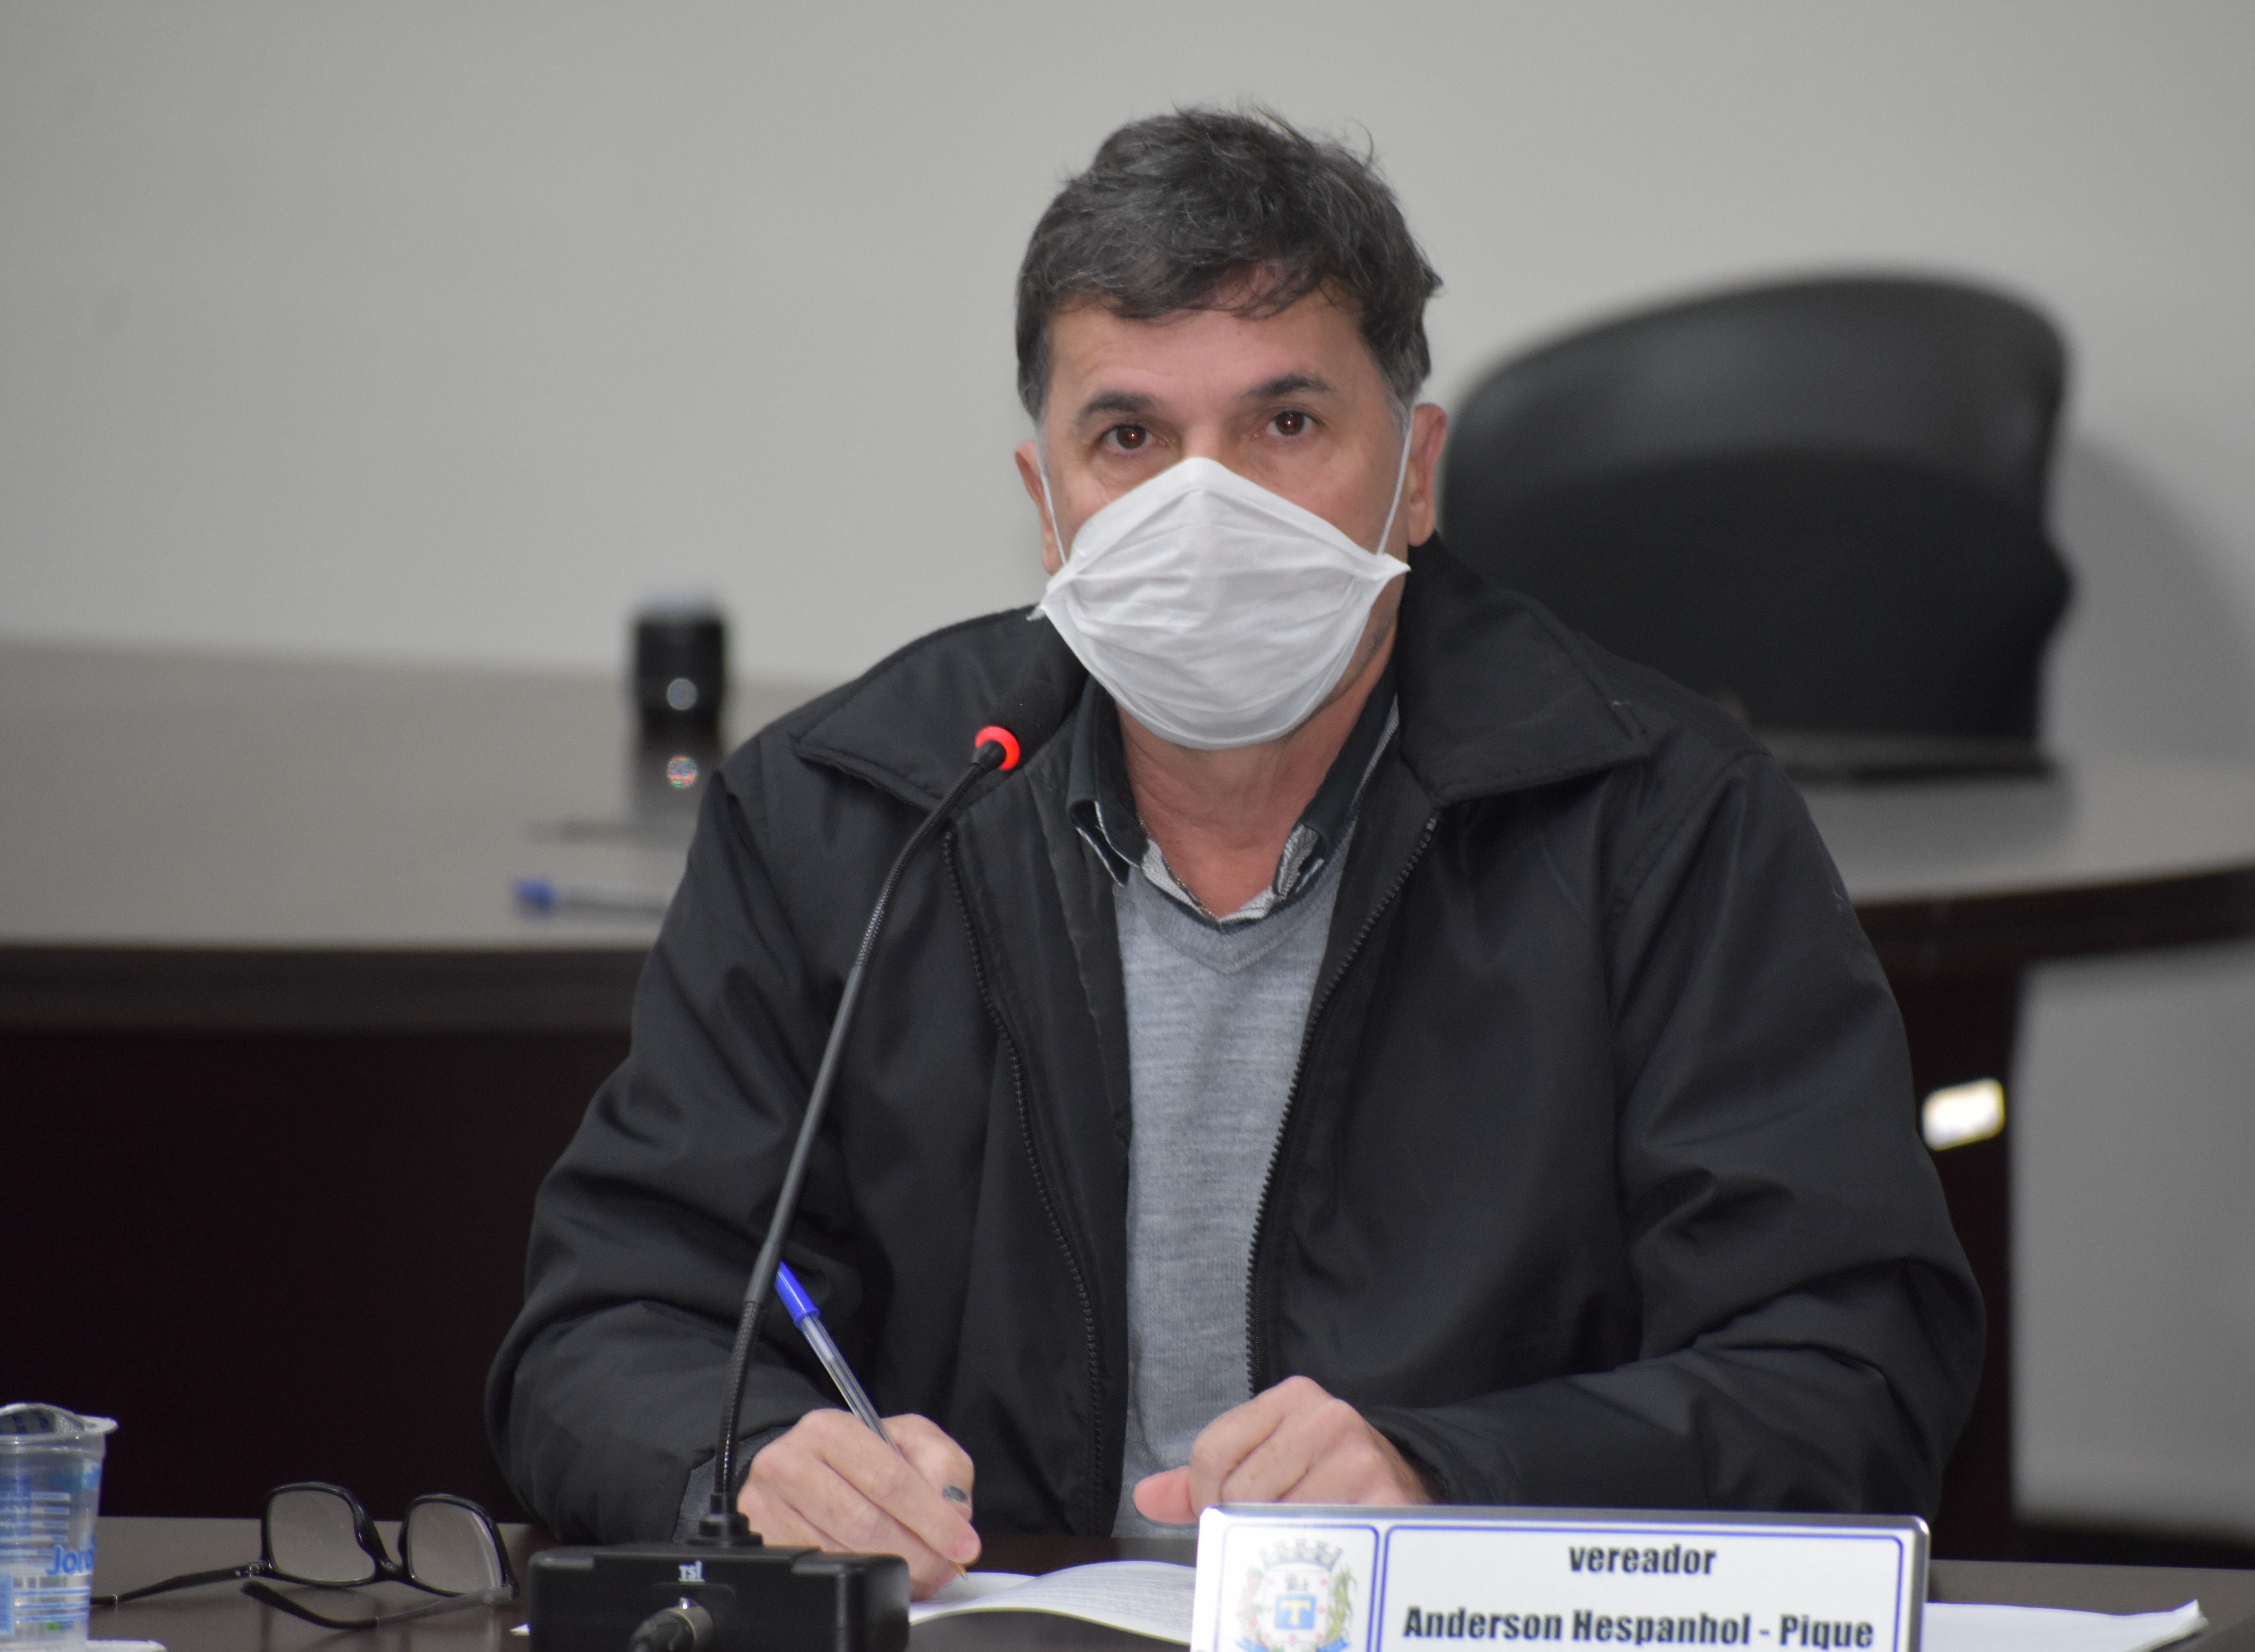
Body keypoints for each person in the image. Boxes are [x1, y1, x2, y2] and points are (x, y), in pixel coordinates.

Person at [487, 107, 1981, 1597]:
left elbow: (1851, 1371)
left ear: (1415, 475)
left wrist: (1449, 1478)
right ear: (1048, 507)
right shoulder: (847, 818)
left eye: (1286, 425)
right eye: (1130, 438)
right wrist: (748, 1463)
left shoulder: (1660, 821)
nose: (1203, 508)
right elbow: (603, 1330)